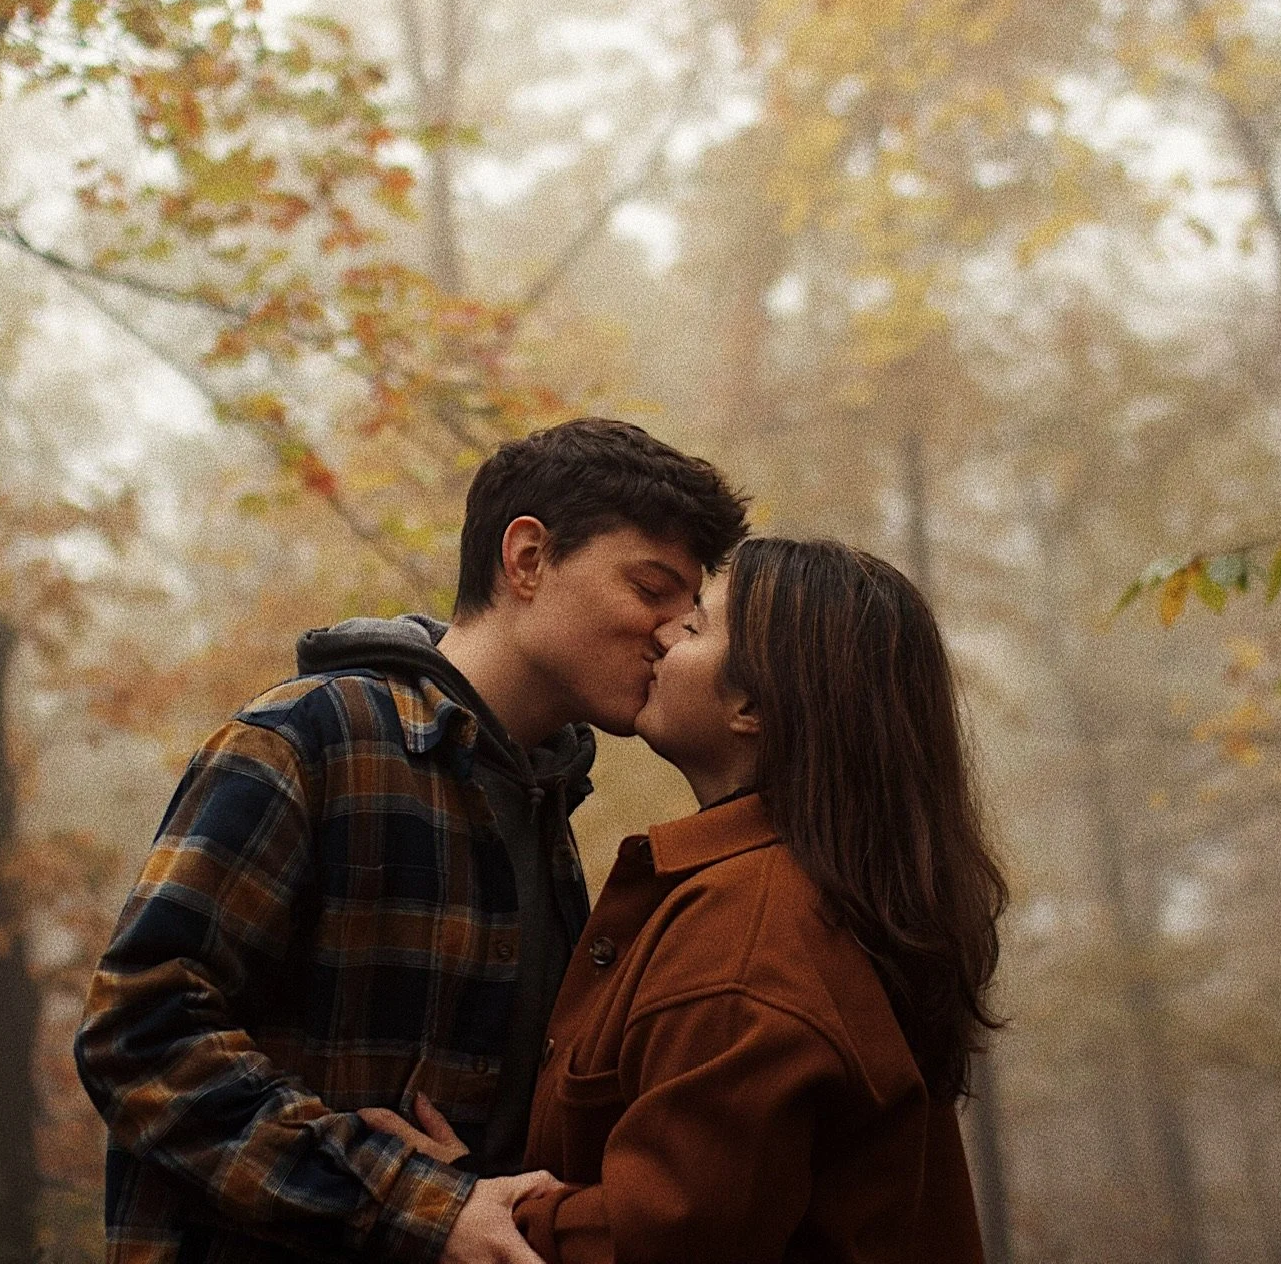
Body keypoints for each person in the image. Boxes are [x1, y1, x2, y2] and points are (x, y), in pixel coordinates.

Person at [74, 418, 749, 1264]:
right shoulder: (309, 739)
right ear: (528, 559)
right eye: (652, 588)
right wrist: (408, 1197)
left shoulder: (544, 811)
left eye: (689, 608)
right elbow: (137, 1033)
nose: (670, 631)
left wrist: (463, 1190)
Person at [369, 536, 1006, 1263]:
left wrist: (464, 1207)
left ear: (753, 706)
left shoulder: (748, 936)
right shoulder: (800, 898)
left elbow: (667, 1239)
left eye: (696, 625)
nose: (664, 632)